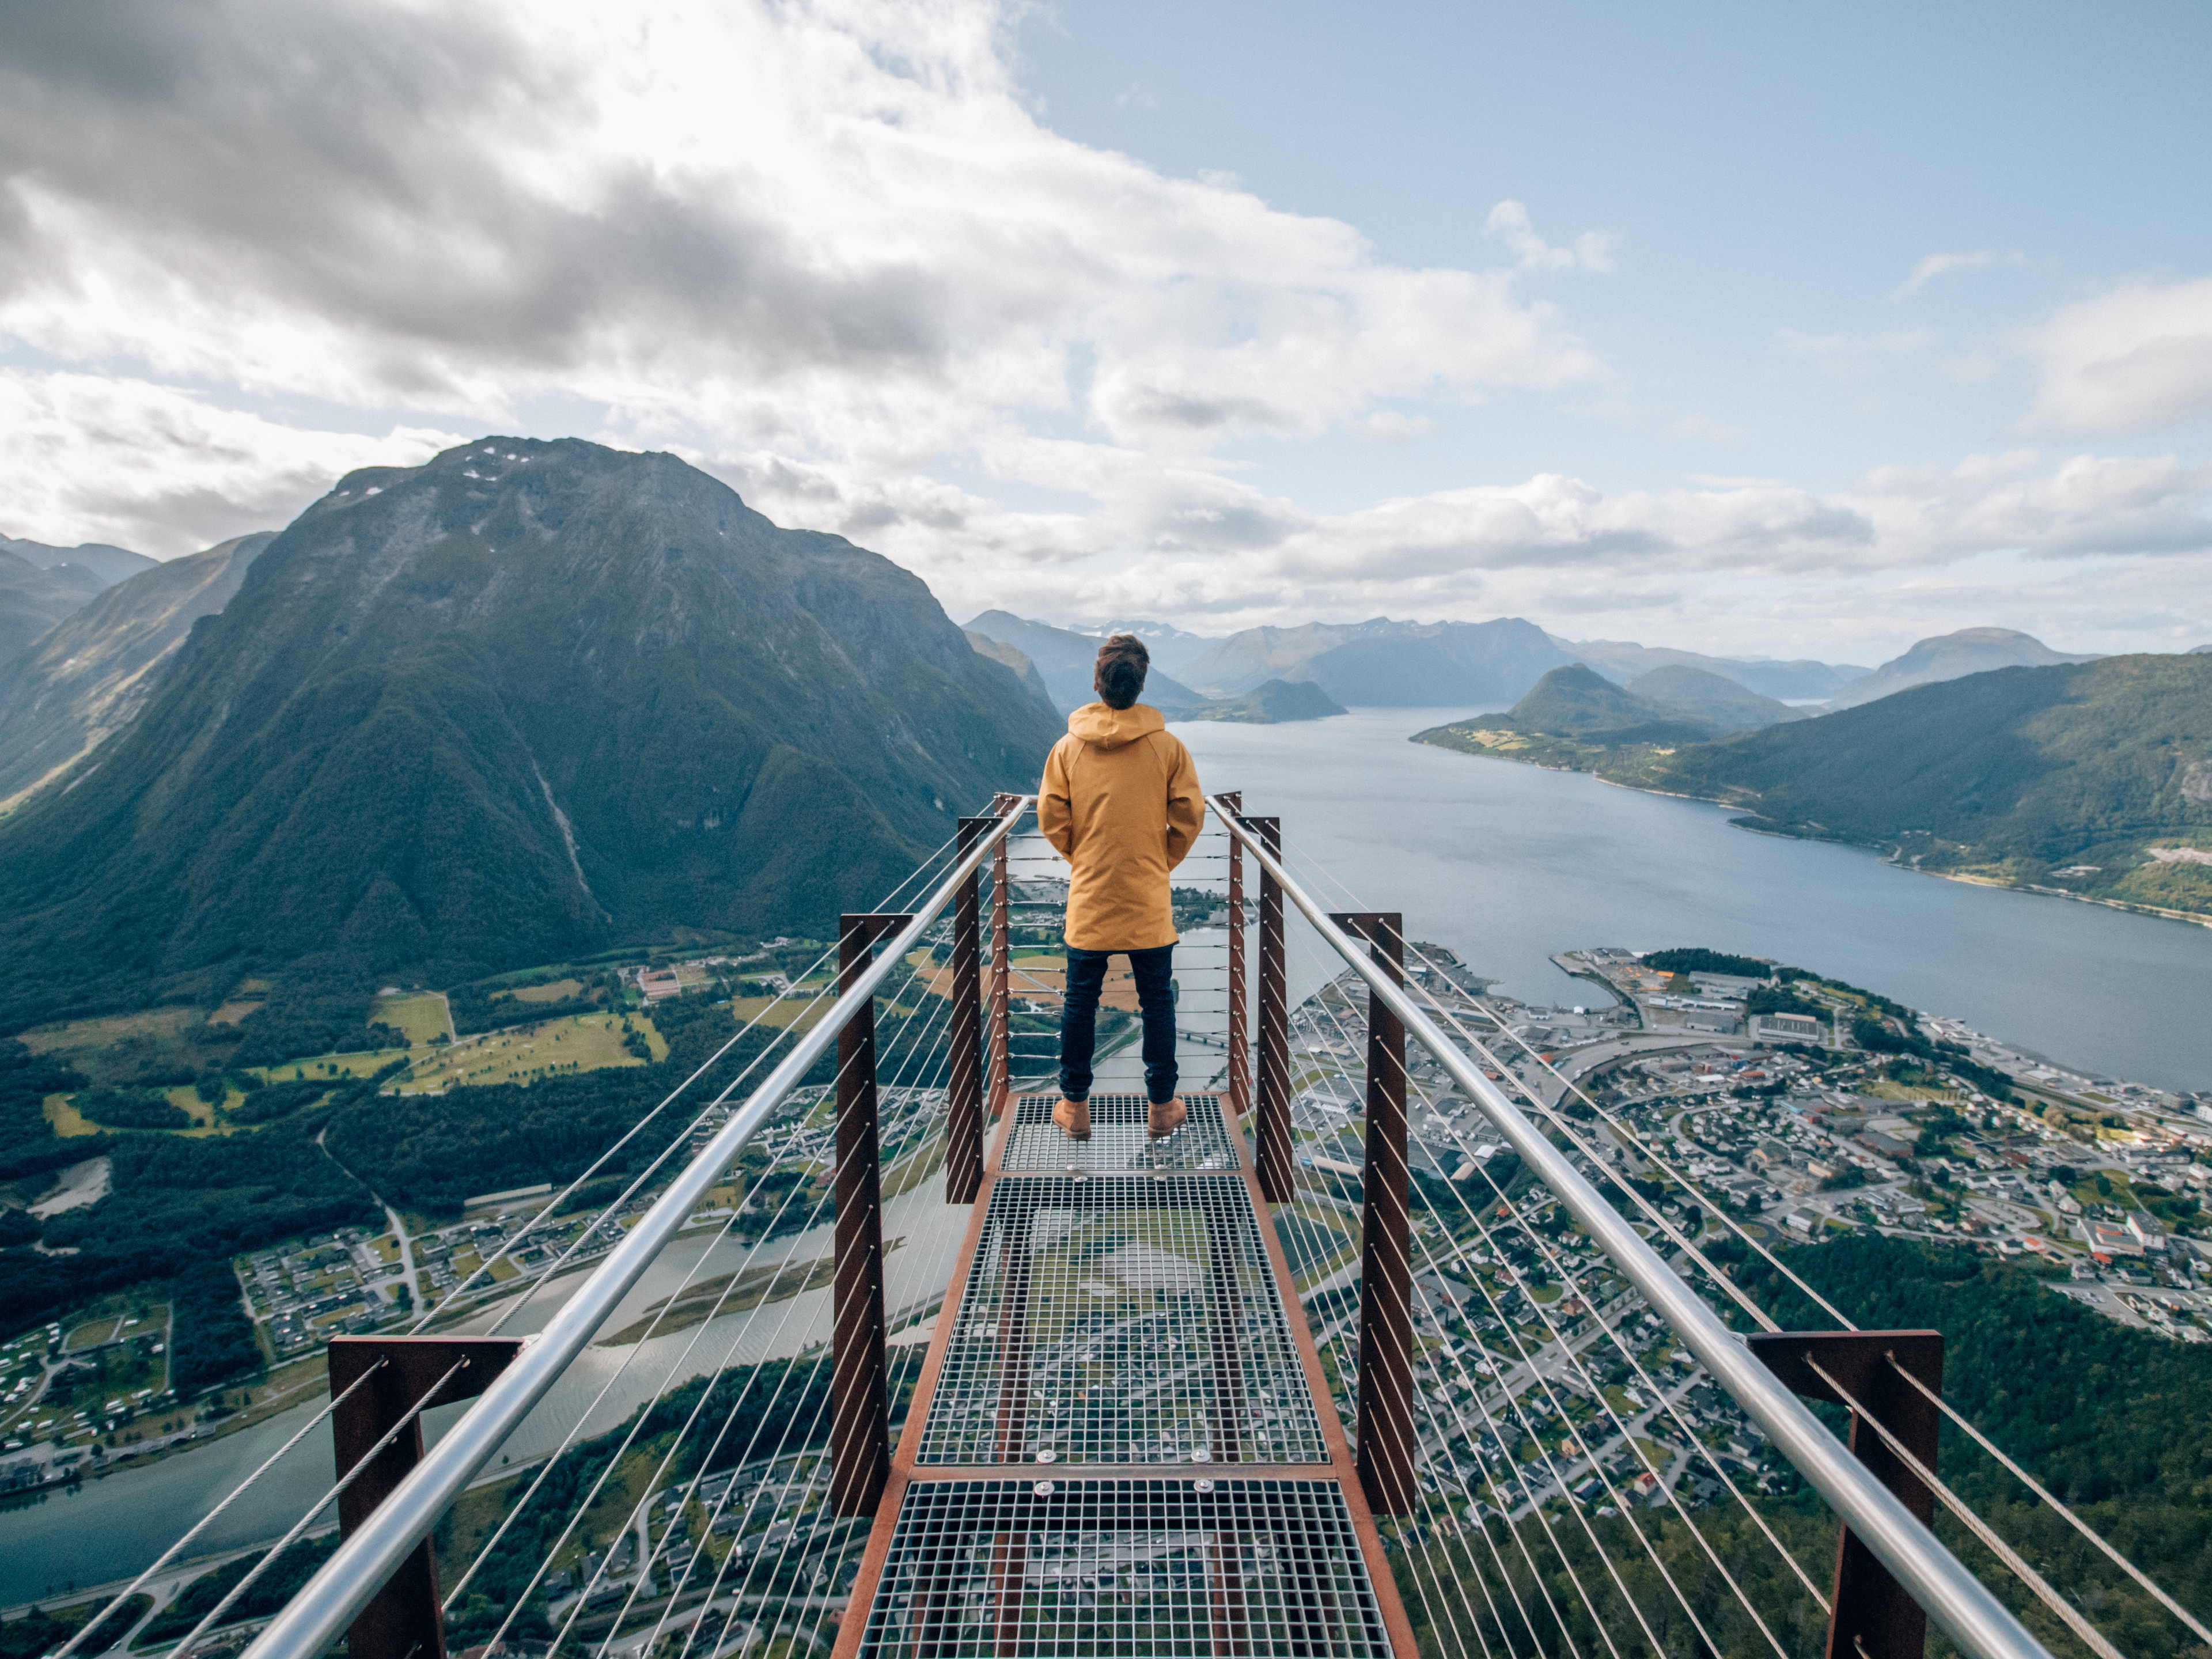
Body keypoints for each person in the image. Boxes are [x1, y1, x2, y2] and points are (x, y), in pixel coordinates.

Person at [1038, 634, 1205, 1140]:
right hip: (1147, 900)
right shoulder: (1168, 748)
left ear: (1097, 682)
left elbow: (1051, 817)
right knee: (1156, 1001)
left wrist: (1084, 859)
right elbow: (1189, 816)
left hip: (1090, 899)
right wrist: (1159, 862)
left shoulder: (1067, 749)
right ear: (1141, 683)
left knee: (1079, 1003)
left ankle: (1075, 1108)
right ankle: (1161, 1108)